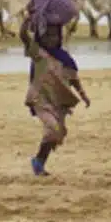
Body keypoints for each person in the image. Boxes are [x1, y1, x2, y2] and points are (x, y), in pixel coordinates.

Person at [21, 18, 90, 176]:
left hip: (59, 101)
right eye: (47, 36)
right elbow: (24, 37)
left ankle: (39, 161)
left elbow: (73, 79)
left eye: (54, 36)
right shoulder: (38, 53)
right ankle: (38, 162)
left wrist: (83, 94)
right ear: (41, 37)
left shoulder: (65, 59)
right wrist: (27, 21)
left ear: (59, 37)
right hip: (41, 100)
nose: (51, 39)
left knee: (57, 134)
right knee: (52, 128)